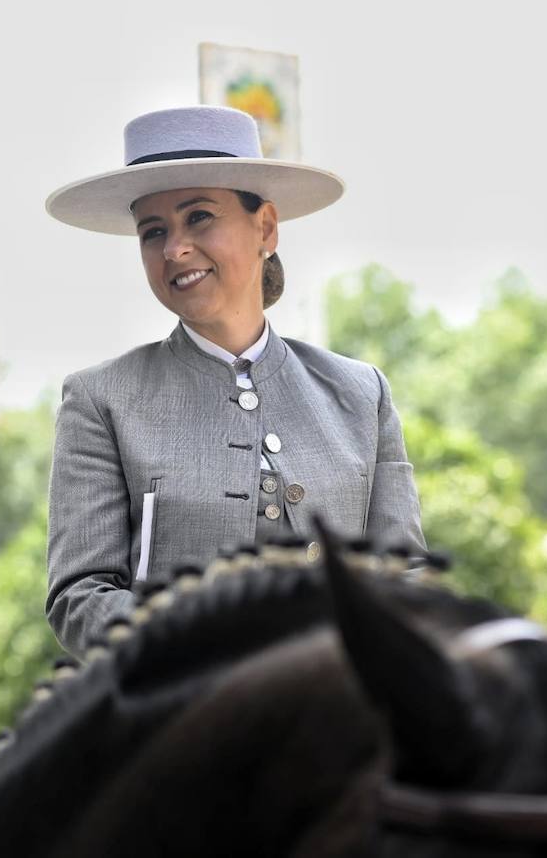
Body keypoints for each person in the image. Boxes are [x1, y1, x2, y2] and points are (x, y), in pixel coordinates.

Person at [42, 105, 427, 656]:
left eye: (199, 217)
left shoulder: (362, 394)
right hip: (176, 705)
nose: (174, 248)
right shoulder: (101, 400)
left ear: (265, 227)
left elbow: (405, 576)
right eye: (153, 232)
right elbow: (80, 599)